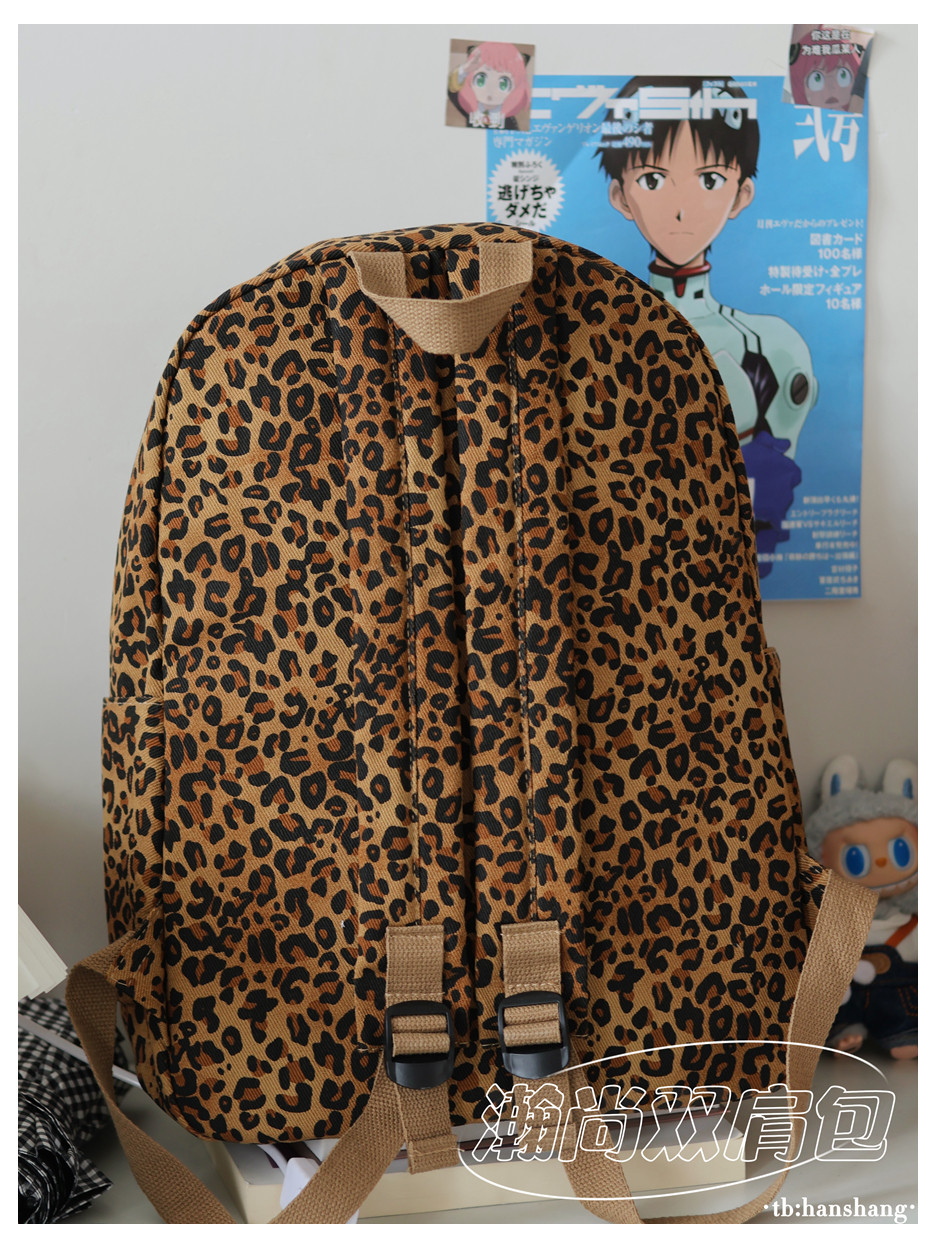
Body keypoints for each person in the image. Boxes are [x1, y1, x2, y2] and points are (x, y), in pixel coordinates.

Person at [598, 77, 818, 577]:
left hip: (722, 579)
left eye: (710, 180)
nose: (681, 210)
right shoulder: (591, 337)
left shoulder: (773, 347)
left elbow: (771, 503)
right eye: (652, 180)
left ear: (741, 195)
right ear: (620, 195)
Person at [448, 43, 531, 130]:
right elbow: (452, 90)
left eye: (503, 85)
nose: (490, 91)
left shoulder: (507, 120)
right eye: (480, 80)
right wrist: (465, 69)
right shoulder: (470, 108)